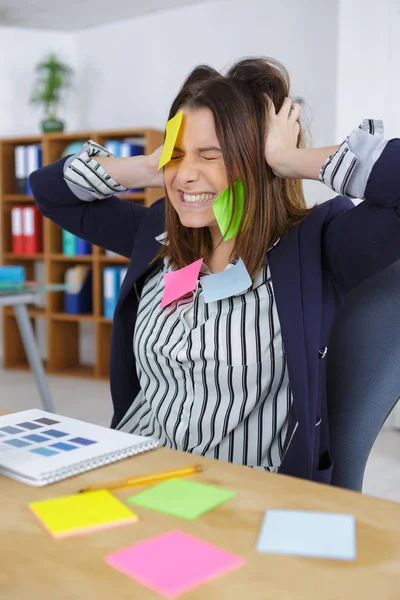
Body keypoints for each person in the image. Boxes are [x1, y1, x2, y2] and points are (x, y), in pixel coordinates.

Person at [29, 57, 400, 484]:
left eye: (211, 155)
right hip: (134, 475)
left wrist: (286, 158)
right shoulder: (157, 234)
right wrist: (149, 167)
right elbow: (50, 191)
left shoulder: (316, 246)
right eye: (178, 153)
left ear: (255, 159)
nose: (186, 174)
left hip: (238, 498)